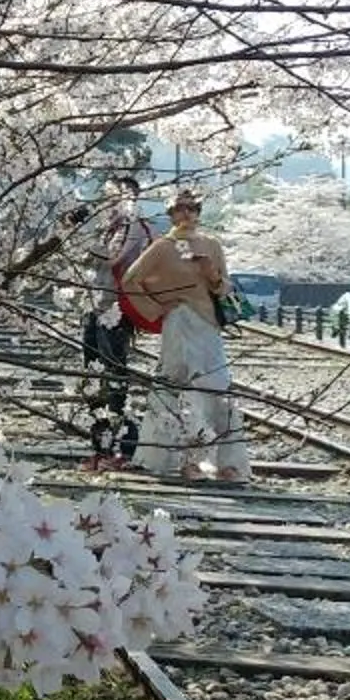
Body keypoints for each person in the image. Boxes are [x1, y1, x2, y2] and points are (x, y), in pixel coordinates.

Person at [121, 190, 250, 482]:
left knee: (217, 386)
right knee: (178, 385)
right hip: (179, 322)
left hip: (208, 325)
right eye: (180, 209)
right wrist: (157, 307)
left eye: (192, 208)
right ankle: (185, 459)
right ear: (171, 214)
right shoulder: (162, 247)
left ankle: (226, 461)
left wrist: (211, 274)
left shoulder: (211, 245)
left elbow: (225, 288)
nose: (187, 214)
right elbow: (130, 280)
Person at [80, 176, 157, 473]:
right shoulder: (107, 226)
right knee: (91, 377)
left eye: (118, 195)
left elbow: (114, 260)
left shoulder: (133, 226)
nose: (111, 200)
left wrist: (85, 240)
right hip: (94, 306)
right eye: (108, 195)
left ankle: (123, 448)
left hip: (115, 310)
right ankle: (100, 447)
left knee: (115, 377)